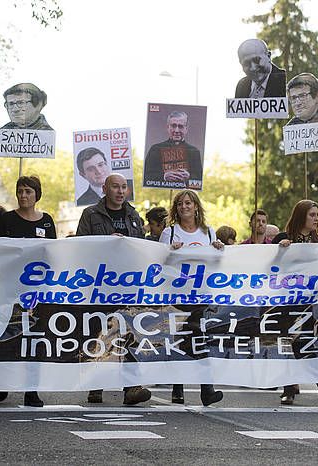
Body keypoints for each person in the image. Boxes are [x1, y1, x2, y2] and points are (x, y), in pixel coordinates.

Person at [76, 173, 151, 405]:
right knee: (99, 333)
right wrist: (106, 242)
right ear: (105, 190)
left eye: (123, 187)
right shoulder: (91, 214)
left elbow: (142, 247)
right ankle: (95, 385)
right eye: (115, 187)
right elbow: (80, 244)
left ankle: (131, 387)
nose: (120, 191)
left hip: (127, 285)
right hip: (99, 284)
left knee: (128, 332)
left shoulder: (134, 216)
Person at [272, 199, 318, 407]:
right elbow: (268, 266)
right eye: (312, 215)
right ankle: (291, 389)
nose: (316, 219)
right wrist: (279, 250)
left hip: (311, 304)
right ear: (301, 216)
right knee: (290, 344)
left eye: (317, 215)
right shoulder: (283, 239)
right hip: (286, 303)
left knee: (310, 342)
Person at [0, 176, 55, 407]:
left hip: (38, 289)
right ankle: (2, 382)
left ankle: (32, 389)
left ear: (36, 194)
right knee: (8, 334)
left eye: (28, 191)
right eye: (20, 191)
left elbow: (52, 251)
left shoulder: (47, 221)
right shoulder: (7, 219)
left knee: (36, 336)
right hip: (10, 288)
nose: (23, 195)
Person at [159, 190, 225, 406]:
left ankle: (203, 389)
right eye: (180, 204)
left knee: (198, 337)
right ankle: (188, 387)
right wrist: (170, 252)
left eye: (188, 203)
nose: (184, 207)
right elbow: (159, 263)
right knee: (183, 338)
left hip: (202, 294)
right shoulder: (169, 233)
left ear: (196, 206)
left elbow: (216, 264)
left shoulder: (208, 233)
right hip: (177, 295)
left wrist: (219, 250)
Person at [143, 111, 203, 189]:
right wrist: (164, 176)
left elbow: (199, 179)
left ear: (186, 129)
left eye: (180, 126)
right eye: (173, 126)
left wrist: (189, 176)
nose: (177, 130)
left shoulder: (194, 151)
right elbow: (146, 177)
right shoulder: (155, 149)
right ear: (168, 128)